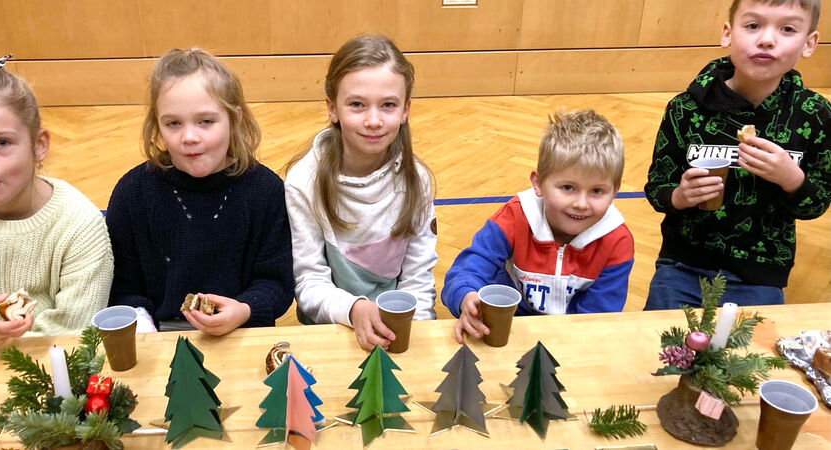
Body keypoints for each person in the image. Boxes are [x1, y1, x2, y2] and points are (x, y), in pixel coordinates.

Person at [644, 0, 828, 309]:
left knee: (754, 343)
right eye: (753, 25)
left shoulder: (815, 115)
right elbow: (656, 188)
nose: (767, 39)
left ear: (809, 43)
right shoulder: (685, 109)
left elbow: (817, 204)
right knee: (661, 339)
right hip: (683, 265)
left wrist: (792, 179)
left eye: (787, 29)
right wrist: (678, 196)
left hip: (761, 274)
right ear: (728, 34)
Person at [0, 56, 113, 354]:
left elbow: (74, 334)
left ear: (39, 144)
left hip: (45, 373)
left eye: (1, 142)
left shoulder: (80, 225)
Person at [106, 48, 294, 334]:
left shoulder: (265, 191)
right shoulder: (133, 193)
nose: (190, 137)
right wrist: (143, 325)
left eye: (206, 121)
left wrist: (245, 309)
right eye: (173, 123)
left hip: (245, 332)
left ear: (235, 118)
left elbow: (276, 282)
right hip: (159, 336)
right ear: (157, 125)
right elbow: (122, 286)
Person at [285, 35, 438, 351]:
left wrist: (415, 339)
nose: (373, 120)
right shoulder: (304, 181)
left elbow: (418, 280)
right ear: (333, 108)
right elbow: (309, 283)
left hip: (395, 331)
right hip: (331, 330)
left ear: (406, 110)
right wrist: (353, 309)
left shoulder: (417, 180)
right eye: (357, 104)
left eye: (388, 105)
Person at [442, 109, 633, 344]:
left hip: (572, 340)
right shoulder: (515, 216)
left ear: (615, 191)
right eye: (568, 188)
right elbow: (467, 271)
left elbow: (597, 319)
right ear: (538, 183)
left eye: (597, 191)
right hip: (508, 331)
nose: (581, 204)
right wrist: (467, 298)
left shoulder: (617, 241)